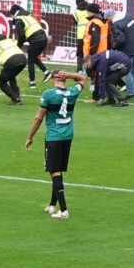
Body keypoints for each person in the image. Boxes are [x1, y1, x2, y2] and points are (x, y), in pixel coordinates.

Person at [26, 69, 88, 219]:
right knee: (57, 169)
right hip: (68, 136)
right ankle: (53, 205)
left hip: (54, 136)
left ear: (54, 78)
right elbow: (83, 78)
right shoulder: (73, 92)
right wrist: (69, 75)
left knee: (54, 171)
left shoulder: (48, 95)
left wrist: (30, 137)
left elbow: (38, 118)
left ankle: (64, 210)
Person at [10, 3, 50, 87]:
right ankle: (46, 72)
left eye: (11, 15)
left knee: (30, 60)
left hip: (36, 40)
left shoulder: (18, 20)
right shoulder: (28, 16)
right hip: (43, 38)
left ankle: (32, 83)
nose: (11, 17)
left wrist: (18, 47)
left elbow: (21, 36)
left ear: (13, 13)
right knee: (33, 57)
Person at [0, 31, 28, 105]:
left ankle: (15, 98)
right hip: (23, 58)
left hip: (12, 61)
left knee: (1, 82)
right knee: (11, 77)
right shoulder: (10, 40)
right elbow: (19, 42)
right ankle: (17, 96)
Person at [115, 12, 134, 99]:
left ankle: (131, 93)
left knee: (128, 71)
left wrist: (114, 47)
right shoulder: (129, 17)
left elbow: (121, 40)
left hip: (129, 50)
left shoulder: (117, 24)